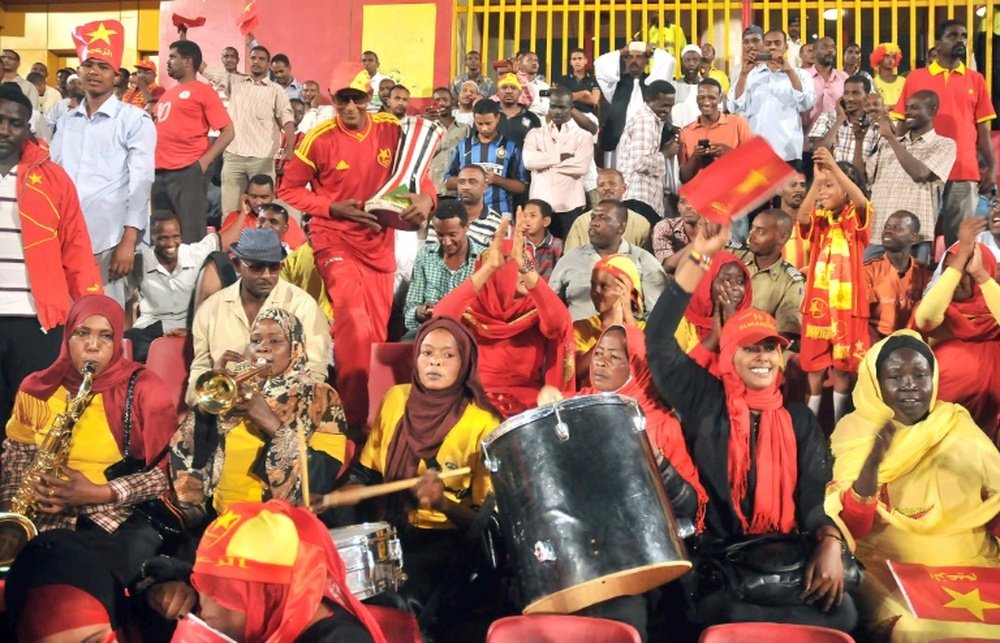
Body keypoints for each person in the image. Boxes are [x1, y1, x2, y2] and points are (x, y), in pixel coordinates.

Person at [645, 221, 856, 633]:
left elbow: (816, 497)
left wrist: (830, 542)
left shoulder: (798, 419)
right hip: (720, 560)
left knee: (844, 612)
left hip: (787, 555)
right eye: (750, 349)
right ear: (729, 355)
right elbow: (657, 340)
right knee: (729, 617)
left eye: (770, 349)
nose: (762, 358)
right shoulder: (704, 398)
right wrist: (699, 256)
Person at [2, 295, 176, 642]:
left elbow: (168, 475)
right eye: (83, 334)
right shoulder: (36, 387)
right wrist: (18, 507)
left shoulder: (145, 389)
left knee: (91, 595)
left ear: (118, 340)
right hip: (39, 516)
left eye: (105, 336)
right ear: (68, 338)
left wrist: (97, 493)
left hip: (111, 518)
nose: (93, 346)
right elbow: (15, 454)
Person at [278, 62, 434, 432]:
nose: (349, 107)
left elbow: (419, 176)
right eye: (342, 99)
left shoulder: (391, 130)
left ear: (370, 98)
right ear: (332, 99)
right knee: (353, 319)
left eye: (357, 99)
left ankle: (375, 422)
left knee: (376, 336)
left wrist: (427, 200)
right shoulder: (317, 138)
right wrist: (330, 207)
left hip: (379, 244)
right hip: (334, 239)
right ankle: (351, 417)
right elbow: (288, 189)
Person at [825, 331, 1000, 642]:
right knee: (918, 629)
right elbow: (852, 525)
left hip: (970, 557)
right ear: (875, 383)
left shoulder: (956, 424)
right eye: (895, 375)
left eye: (921, 374)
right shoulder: (854, 433)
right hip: (890, 561)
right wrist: (872, 466)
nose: (910, 383)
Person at [333, 318, 502, 638]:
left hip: (445, 541)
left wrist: (441, 503)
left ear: (465, 362)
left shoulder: (483, 422)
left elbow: (487, 526)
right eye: (426, 352)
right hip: (389, 531)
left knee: (395, 601)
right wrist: (343, 494)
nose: (435, 360)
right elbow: (367, 473)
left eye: (447, 355)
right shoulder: (396, 399)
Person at [172, 308, 348, 525]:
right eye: (256, 341)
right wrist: (210, 403)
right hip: (220, 518)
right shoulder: (236, 386)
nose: (263, 347)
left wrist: (270, 422)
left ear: (295, 347)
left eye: (275, 341)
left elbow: (321, 475)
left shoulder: (322, 397)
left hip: (278, 522)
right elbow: (189, 450)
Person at [0, 83, 102, 435]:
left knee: (32, 427)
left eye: (14, 123)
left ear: (27, 128)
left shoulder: (53, 179)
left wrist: (94, 314)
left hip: (36, 322)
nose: (4, 129)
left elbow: (76, 249)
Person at [144, 499, 386, 642]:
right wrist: (156, 590)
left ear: (268, 594)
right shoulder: (268, 619)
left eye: (223, 592)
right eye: (201, 586)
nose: (201, 609)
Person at [52, 19, 155, 306]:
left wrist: (129, 241)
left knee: (104, 317)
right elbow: (54, 177)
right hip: (64, 238)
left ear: (116, 76)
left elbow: (141, 182)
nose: (94, 72)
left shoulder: (134, 120)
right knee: (66, 318)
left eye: (103, 67)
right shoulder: (66, 121)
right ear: (79, 71)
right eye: (89, 65)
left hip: (108, 241)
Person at [435, 221, 575, 418]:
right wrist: (488, 267)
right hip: (475, 400)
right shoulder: (473, 310)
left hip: (527, 406)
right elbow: (439, 320)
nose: (526, 273)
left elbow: (560, 324)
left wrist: (526, 268)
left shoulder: (536, 309)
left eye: (529, 266)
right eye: (517, 268)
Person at [186, 228, 331, 407]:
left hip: (286, 410)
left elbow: (315, 371)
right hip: (224, 409)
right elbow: (200, 369)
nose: (266, 275)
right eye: (256, 267)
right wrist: (210, 399)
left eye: (274, 267)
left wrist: (280, 406)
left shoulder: (303, 306)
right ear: (237, 265)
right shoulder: (210, 309)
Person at [891, 19, 996, 247]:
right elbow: (902, 124)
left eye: (963, 35)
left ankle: (957, 283)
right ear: (937, 44)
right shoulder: (915, 78)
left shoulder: (976, 80)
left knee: (960, 243)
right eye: (953, 36)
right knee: (916, 239)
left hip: (963, 170)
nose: (960, 40)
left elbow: (983, 131)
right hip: (922, 170)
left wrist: (992, 168)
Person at [796, 147, 873, 422]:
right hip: (817, 308)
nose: (821, 193)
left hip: (848, 309)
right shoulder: (820, 220)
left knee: (844, 370)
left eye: (830, 186)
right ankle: (810, 426)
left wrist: (834, 168)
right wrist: (818, 180)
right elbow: (802, 218)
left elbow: (861, 201)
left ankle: (840, 425)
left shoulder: (856, 219)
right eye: (820, 187)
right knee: (813, 371)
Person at [914, 220, 1000, 440]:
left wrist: (981, 276)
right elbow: (925, 320)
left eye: (965, 272)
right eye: (950, 270)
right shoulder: (938, 310)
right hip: (939, 429)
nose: (957, 278)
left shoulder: (993, 311)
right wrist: (960, 259)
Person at [125, 210, 246, 363]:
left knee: (220, 259)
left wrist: (244, 212)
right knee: (130, 342)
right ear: (152, 238)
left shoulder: (195, 253)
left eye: (175, 237)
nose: (170, 243)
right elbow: (126, 299)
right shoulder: (139, 261)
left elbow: (225, 241)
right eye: (163, 238)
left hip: (190, 324)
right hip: (153, 326)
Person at [152, 39, 234, 243]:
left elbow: (228, 131)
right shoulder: (167, 95)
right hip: (158, 172)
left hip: (186, 171)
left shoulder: (203, 91)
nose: (168, 62)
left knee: (190, 236)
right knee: (160, 234)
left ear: (188, 61)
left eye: (173, 57)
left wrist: (204, 162)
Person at [200, 44, 296, 216]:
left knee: (263, 211)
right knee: (230, 211)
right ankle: (231, 243)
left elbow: (288, 121)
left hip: (262, 159)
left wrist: (290, 148)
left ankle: (261, 242)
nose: (256, 62)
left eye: (261, 59)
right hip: (233, 156)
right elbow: (205, 70)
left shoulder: (276, 91)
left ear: (268, 65)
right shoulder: (234, 81)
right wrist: (184, 39)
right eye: (253, 58)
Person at [866, 90, 956, 263]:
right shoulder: (887, 144)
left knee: (910, 289)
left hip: (914, 238)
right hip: (878, 233)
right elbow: (866, 179)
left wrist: (892, 138)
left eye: (914, 107)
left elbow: (920, 173)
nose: (907, 112)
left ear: (932, 111)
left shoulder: (944, 145)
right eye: (906, 108)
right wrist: (861, 140)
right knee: (868, 287)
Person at [549, 199, 667, 321]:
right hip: (577, 336)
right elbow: (551, 306)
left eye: (603, 218)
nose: (594, 223)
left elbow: (657, 315)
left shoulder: (643, 260)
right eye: (593, 218)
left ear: (621, 227)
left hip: (627, 336)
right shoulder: (570, 259)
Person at [729, 27, 815, 165]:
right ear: (762, 47)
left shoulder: (801, 74)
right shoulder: (750, 75)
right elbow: (734, 107)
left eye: (777, 43)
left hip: (789, 152)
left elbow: (806, 104)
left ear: (786, 46)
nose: (772, 47)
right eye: (768, 44)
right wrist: (744, 74)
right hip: (756, 152)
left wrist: (789, 72)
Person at [404, 199, 485, 335]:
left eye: (453, 235)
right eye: (440, 235)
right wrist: (420, 313)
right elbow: (410, 309)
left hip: (469, 331)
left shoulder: (483, 259)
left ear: (466, 227)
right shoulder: (425, 256)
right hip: (431, 331)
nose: (446, 242)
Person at [522, 87, 593, 239]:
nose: (557, 111)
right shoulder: (535, 134)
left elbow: (580, 167)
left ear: (571, 108)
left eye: (562, 107)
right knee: (538, 252)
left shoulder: (583, 136)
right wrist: (560, 157)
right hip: (540, 205)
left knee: (569, 253)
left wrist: (544, 162)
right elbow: (529, 161)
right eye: (553, 106)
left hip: (570, 206)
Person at [673, 250, 754, 375]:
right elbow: (674, 375)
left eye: (740, 282)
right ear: (707, 281)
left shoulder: (754, 324)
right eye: (727, 280)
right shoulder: (681, 323)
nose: (735, 288)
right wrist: (713, 339)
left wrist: (732, 329)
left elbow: (755, 376)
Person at [445, 99, 527, 217]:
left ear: (497, 118)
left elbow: (521, 187)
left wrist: (498, 180)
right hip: (466, 214)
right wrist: (468, 180)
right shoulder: (463, 146)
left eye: (488, 123)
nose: (484, 128)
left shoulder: (511, 147)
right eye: (480, 123)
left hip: (500, 213)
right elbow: (448, 182)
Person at [594, 41, 675, 155]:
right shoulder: (615, 84)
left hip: (647, 142)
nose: (634, 60)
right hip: (619, 143)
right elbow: (599, 64)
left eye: (639, 57)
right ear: (625, 60)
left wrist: (652, 50)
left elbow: (669, 61)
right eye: (630, 57)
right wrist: (621, 52)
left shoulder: (653, 83)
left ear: (647, 60)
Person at [572, 254, 645, 380]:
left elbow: (643, 369)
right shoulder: (581, 328)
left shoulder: (643, 329)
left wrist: (627, 317)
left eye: (604, 286)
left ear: (625, 291)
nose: (596, 292)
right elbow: (578, 371)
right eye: (593, 285)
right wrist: (612, 330)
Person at [736, 209, 806, 340]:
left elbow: (787, 334)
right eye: (752, 229)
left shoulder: (791, 281)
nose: (751, 236)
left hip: (757, 348)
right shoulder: (735, 255)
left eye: (761, 232)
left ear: (782, 237)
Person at [864, 211, 932, 341]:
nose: (888, 231)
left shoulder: (925, 275)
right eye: (887, 227)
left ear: (913, 237)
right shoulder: (868, 270)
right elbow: (861, 319)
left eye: (897, 228)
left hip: (912, 343)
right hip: (874, 343)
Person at [617, 80, 676, 226]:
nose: (667, 110)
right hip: (639, 198)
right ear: (648, 101)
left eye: (670, 106)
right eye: (664, 105)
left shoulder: (652, 120)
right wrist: (666, 153)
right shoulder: (646, 121)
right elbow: (640, 163)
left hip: (643, 197)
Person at [678, 78, 753, 184]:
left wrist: (729, 153)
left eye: (711, 98)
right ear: (696, 99)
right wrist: (695, 157)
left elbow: (754, 163)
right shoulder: (686, 132)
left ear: (720, 99)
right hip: (700, 194)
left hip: (732, 193)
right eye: (701, 97)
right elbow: (684, 178)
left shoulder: (738, 123)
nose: (706, 102)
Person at [565, 168, 652, 252]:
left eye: (612, 183)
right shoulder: (581, 222)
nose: (606, 188)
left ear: (624, 188)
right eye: (601, 185)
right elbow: (570, 259)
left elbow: (646, 260)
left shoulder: (641, 223)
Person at [807, 75, 880, 166]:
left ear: (867, 96)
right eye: (846, 93)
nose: (850, 98)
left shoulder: (874, 126)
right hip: (831, 177)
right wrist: (840, 119)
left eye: (856, 93)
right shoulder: (828, 117)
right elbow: (819, 150)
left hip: (859, 179)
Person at [802, 36, 850, 162]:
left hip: (837, 147)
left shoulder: (843, 77)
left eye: (832, 47)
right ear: (814, 52)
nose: (830, 50)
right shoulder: (802, 76)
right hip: (805, 146)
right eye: (824, 47)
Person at [427, 87, 470, 195]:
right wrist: (427, 125)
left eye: (445, 100)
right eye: (437, 100)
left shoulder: (464, 129)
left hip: (456, 190)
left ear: (453, 102)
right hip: (432, 189)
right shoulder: (426, 127)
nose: (441, 103)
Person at [652, 195, 700, 273]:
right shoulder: (666, 227)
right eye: (682, 202)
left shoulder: (717, 229)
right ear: (678, 207)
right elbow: (666, 267)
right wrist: (698, 242)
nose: (688, 206)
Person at [519, 199, 562, 280]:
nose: (527, 220)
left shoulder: (558, 245)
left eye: (532, 216)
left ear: (546, 221)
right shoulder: (518, 244)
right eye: (524, 216)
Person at [494, 72, 542, 146]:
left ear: (520, 92)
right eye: (504, 87)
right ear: (497, 91)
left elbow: (539, 145)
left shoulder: (532, 118)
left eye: (513, 88)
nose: (508, 91)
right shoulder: (488, 113)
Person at [779, 171, 812, 271]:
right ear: (778, 190)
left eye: (802, 185)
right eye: (793, 185)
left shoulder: (814, 225)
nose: (799, 190)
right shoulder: (767, 225)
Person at [556, 48, 600, 113]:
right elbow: (561, 99)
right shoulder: (563, 80)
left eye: (580, 58)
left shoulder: (594, 80)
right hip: (568, 114)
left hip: (588, 115)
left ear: (585, 61)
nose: (577, 61)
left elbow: (594, 100)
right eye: (574, 59)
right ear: (571, 62)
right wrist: (584, 93)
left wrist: (571, 96)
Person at [870, 43, 906, 108]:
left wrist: (889, 107)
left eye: (893, 57)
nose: (891, 60)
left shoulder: (902, 81)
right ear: (879, 58)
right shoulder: (873, 82)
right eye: (887, 56)